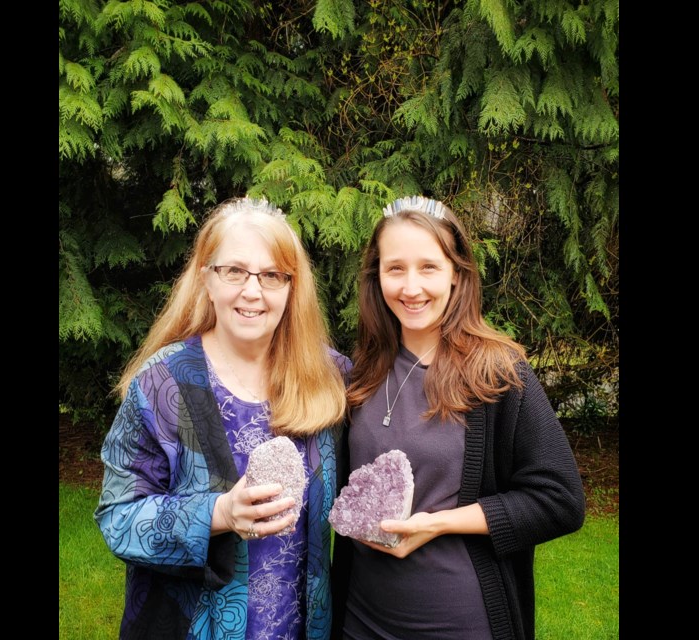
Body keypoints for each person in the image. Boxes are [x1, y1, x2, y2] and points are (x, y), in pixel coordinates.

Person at [95, 197, 350, 640]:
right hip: (191, 626)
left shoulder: (326, 380)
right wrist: (219, 512)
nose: (252, 291)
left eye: (271, 275)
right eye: (234, 271)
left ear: (292, 287)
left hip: (303, 626)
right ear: (205, 279)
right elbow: (117, 517)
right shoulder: (163, 384)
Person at [332, 196, 585, 640]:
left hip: (457, 619)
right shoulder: (363, 371)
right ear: (376, 277)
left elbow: (560, 501)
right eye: (395, 269)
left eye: (429, 267)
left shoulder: (497, 372)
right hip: (361, 618)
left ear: (457, 274)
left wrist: (438, 523)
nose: (411, 287)